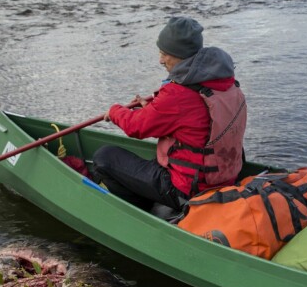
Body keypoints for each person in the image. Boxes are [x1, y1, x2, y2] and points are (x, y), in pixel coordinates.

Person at [92, 16, 247, 213]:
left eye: (165, 54)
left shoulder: (178, 94)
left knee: (105, 157)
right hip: (226, 178)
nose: (160, 60)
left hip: (189, 190)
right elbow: (194, 120)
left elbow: (135, 127)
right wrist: (153, 108)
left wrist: (115, 111)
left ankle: (143, 213)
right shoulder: (226, 84)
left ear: (181, 56)